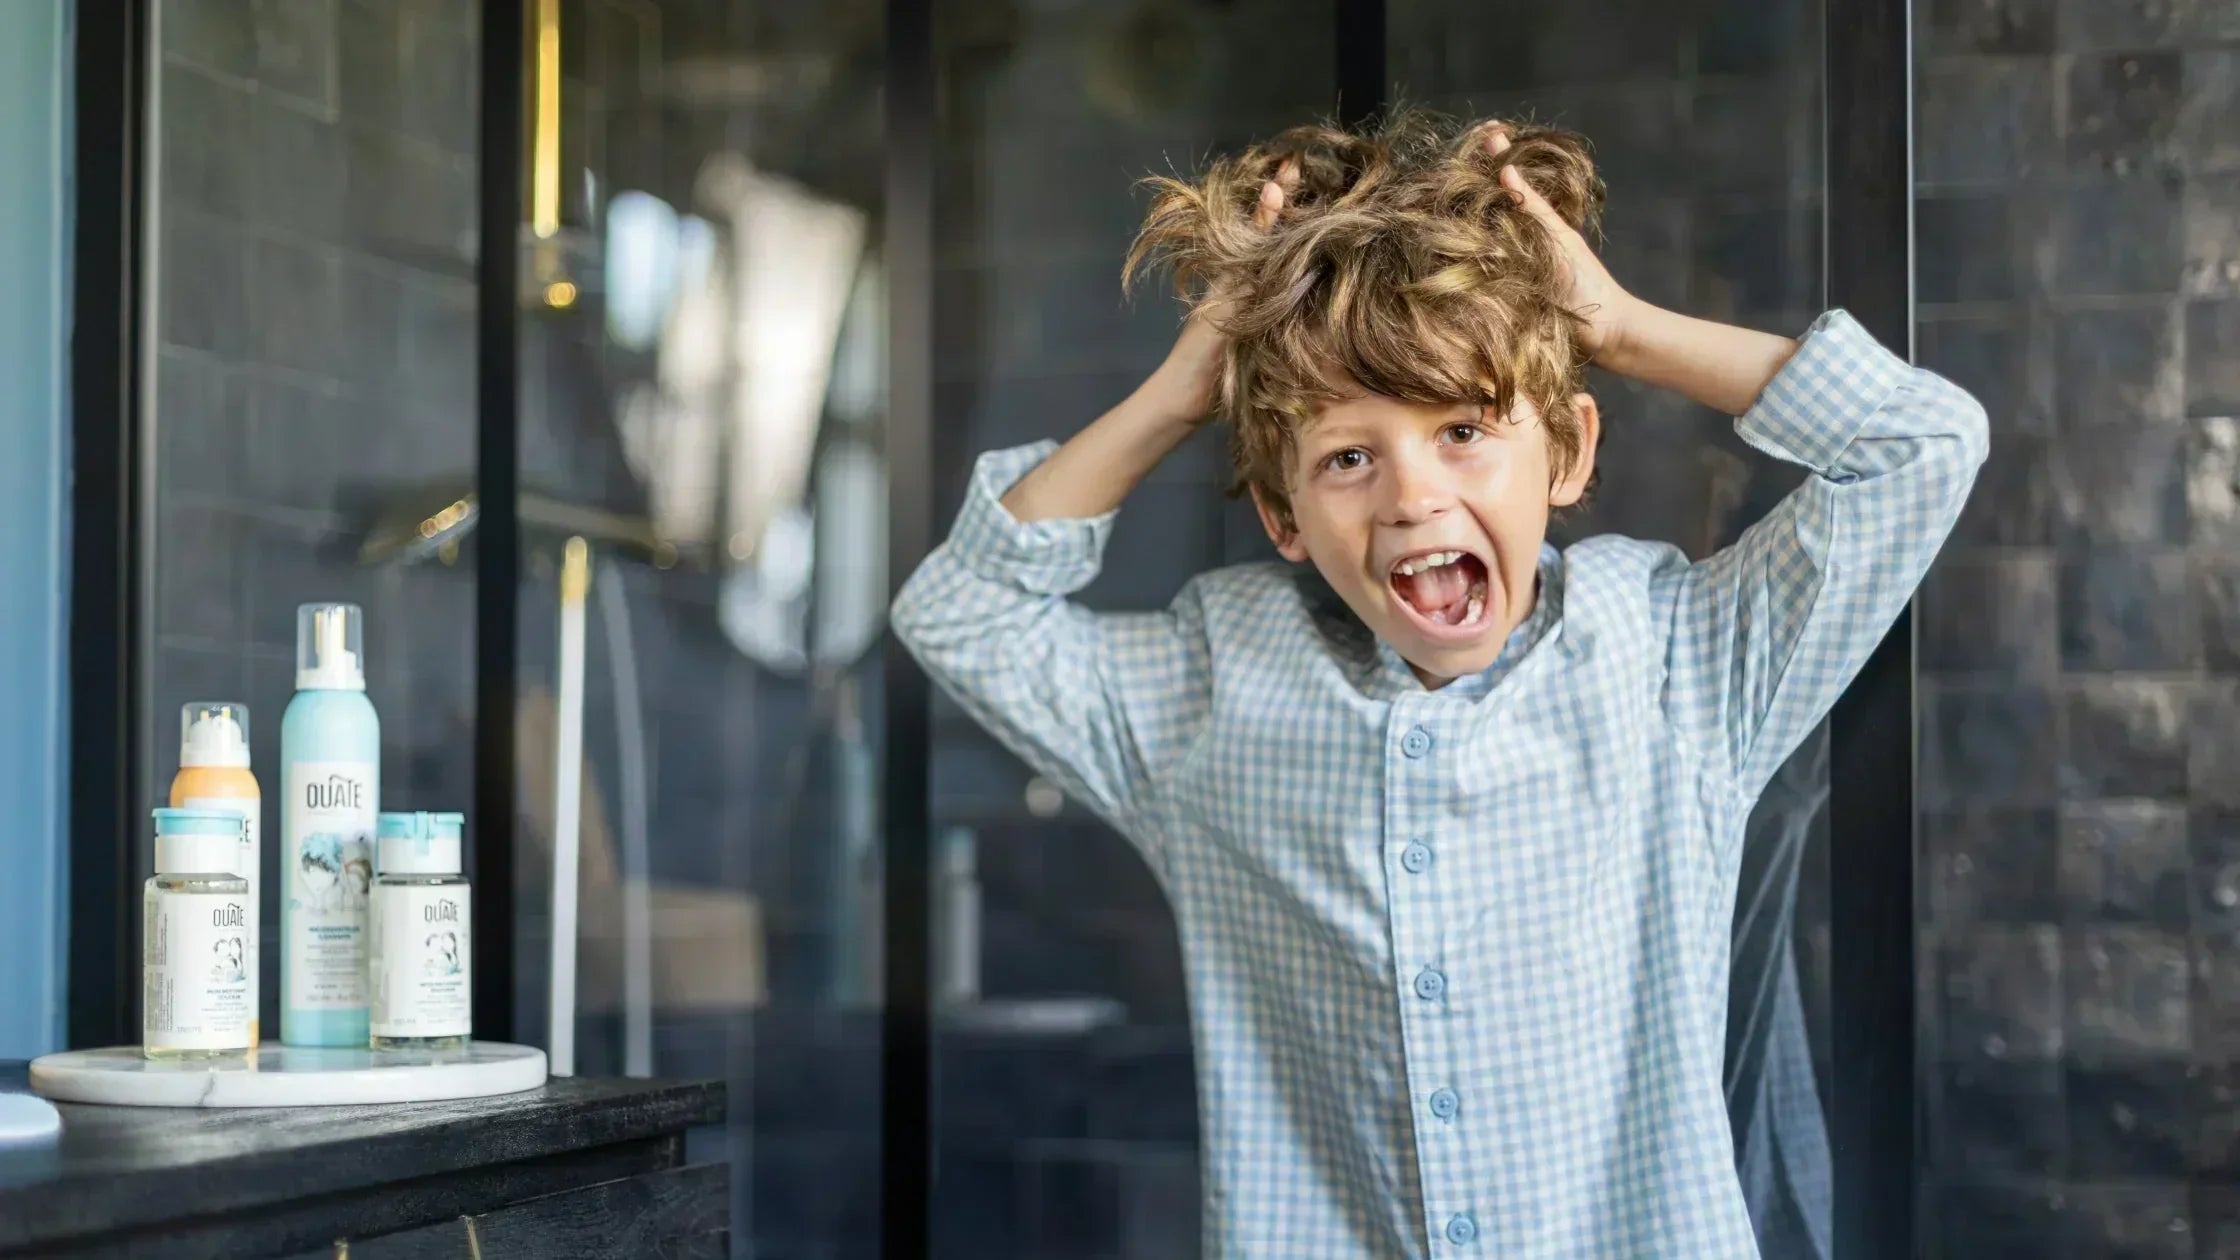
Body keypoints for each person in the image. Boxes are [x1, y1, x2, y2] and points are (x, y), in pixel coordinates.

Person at [892, 111, 1986, 1258]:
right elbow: (957, 614)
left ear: (1564, 451)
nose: (1410, 497)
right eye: (1346, 458)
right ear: (1282, 516)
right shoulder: (1213, 693)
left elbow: (1921, 444)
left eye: (1463, 428)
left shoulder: (1674, 661)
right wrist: (1181, 391)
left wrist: (1616, 325)